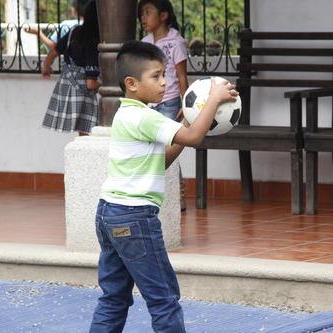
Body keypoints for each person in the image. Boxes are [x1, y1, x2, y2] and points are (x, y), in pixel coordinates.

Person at [89, 40, 238, 333]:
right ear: (131, 83)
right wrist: (213, 100)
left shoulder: (126, 114)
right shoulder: (146, 117)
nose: (164, 82)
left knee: (114, 297)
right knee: (164, 299)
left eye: (164, 74)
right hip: (135, 219)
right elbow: (194, 138)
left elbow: (161, 160)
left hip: (108, 214)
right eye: (156, 76)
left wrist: (185, 119)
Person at [138, 0, 189, 210]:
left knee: (169, 149)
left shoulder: (175, 42)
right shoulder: (145, 42)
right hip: (150, 104)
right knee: (151, 149)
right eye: (142, 13)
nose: (143, 17)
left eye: (148, 12)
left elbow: (182, 76)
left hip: (169, 103)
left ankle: (178, 194)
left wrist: (186, 105)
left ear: (164, 15)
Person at [41, 0, 100, 135]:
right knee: (87, 131)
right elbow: (91, 84)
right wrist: (106, 85)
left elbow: (54, 51)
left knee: (82, 131)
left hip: (67, 85)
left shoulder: (74, 32)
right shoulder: (94, 41)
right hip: (83, 89)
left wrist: (46, 66)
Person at [25, 0, 89, 52]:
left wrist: (38, 33)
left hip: (71, 66)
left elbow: (53, 46)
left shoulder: (66, 25)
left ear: (74, 10)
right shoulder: (94, 24)